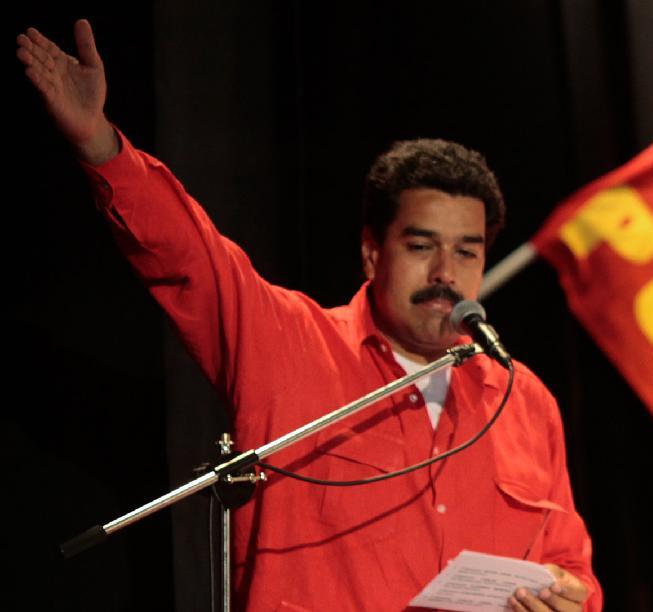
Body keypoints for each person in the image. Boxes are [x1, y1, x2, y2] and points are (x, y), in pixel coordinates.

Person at [17, 19, 603, 612]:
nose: (445, 274)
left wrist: (572, 598)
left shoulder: (523, 401)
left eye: (467, 251)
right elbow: (190, 256)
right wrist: (100, 144)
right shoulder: (287, 342)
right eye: (422, 247)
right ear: (373, 252)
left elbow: (572, 565)